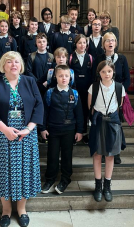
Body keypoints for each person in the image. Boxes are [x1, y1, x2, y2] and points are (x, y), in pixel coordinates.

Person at [0, 51, 43, 227]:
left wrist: (28, 128)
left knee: (24, 171)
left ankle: (22, 209)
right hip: (1, 134)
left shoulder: (30, 81)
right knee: (3, 172)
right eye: (9, 62)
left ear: (21, 65)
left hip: (25, 134)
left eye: (17, 61)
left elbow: (39, 105)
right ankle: (6, 210)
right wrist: (4, 129)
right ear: (3, 65)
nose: (13, 64)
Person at [39, 65, 83, 194]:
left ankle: (65, 179)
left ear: (70, 77)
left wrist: (79, 131)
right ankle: (50, 179)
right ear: (56, 77)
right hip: (53, 129)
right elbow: (44, 112)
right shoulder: (49, 93)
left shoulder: (74, 94)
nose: (64, 78)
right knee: (52, 155)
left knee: (66, 156)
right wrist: (42, 128)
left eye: (66, 76)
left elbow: (79, 114)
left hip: (69, 130)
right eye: (60, 76)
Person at [88, 61, 125, 202]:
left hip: (112, 123)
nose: (106, 74)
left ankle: (107, 186)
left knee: (110, 155)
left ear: (113, 72)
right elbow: (90, 106)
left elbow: (119, 105)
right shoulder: (94, 87)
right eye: (103, 71)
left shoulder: (119, 87)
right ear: (99, 73)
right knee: (97, 154)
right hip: (98, 122)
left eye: (109, 71)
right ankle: (98, 185)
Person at [93, 32, 130, 164]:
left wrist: (120, 90)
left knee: (116, 125)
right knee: (103, 126)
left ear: (115, 43)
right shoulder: (99, 58)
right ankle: (103, 151)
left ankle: (116, 152)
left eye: (112, 40)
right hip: (102, 94)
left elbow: (127, 78)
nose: (110, 42)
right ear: (103, 44)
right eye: (107, 40)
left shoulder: (122, 58)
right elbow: (95, 75)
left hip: (117, 94)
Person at [69, 35, 93, 143]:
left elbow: (92, 74)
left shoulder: (90, 57)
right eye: (79, 43)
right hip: (75, 89)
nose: (82, 45)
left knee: (86, 111)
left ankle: (84, 133)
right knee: (75, 110)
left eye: (84, 43)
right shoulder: (70, 57)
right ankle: (75, 133)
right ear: (75, 44)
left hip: (87, 89)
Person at [26, 33, 54, 97]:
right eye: (39, 42)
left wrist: (47, 81)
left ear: (47, 42)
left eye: (44, 41)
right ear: (36, 43)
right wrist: (38, 82)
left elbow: (53, 71)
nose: (42, 44)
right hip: (35, 85)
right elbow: (28, 71)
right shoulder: (32, 56)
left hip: (47, 85)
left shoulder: (51, 56)